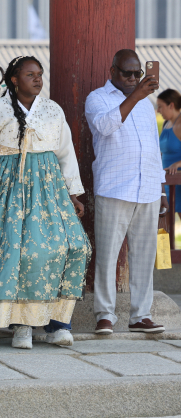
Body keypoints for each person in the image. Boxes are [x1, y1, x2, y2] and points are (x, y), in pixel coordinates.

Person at [0, 56, 90, 349]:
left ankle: (58, 324)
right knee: (22, 254)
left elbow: (65, 154)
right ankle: (22, 326)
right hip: (8, 193)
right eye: (30, 74)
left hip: (49, 192)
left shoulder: (53, 110)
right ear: (14, 79)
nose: (38, 79)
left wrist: (73, 193)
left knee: (69, 248)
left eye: (40, 74)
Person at [85, 49, 167, 335]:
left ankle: (140, 315)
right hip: (115, 187)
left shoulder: (146, 104)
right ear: (113, 72)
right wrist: (136, 96)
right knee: (107, 255)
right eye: (127, 73)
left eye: (137, 73)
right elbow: (104, 127)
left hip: (147, 189)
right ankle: (104, 315)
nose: (133, 78)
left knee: (144, 255)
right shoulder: (97, 98)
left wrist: (162, 189)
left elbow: (153, 149)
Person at [157, 89, 181, 219]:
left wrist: (177, 163)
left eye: (160, 106)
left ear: (171, 105)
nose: (158, 110)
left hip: (178, 179)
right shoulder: (166, 124)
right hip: (166, 181)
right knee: (165, 226)